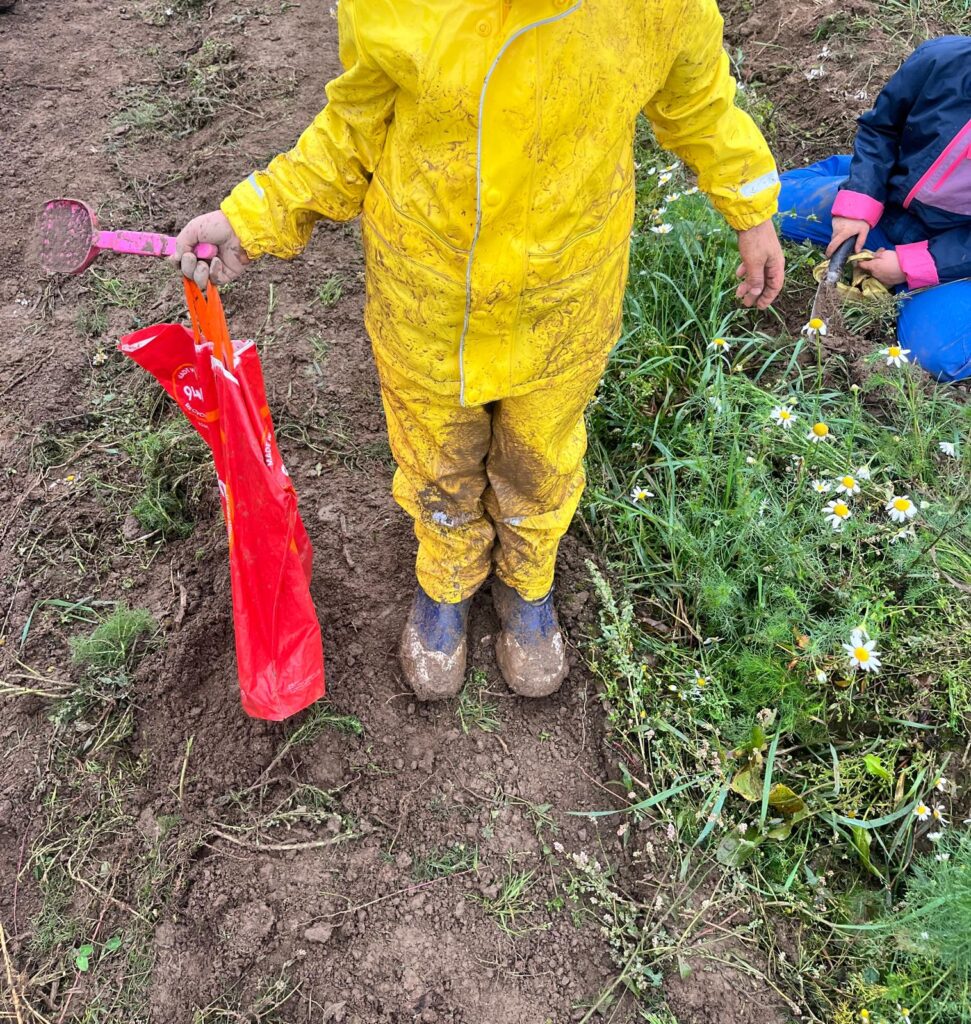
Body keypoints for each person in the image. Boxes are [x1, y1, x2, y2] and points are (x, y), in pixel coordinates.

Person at [175, 0, 785, 702]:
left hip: (566, 282)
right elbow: (354, 126)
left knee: (540, 450)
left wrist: (751, 208)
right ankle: (447, 572)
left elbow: (699, 101)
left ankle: (527, 579)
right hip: (427, 283)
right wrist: (253, 216)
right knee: (434, 446)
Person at [777, 36, 971, 381]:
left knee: (938, 356)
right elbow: (881, 129)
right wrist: (859, 200)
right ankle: (848, 177)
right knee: (767, 206)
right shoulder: (942, 59)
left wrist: (912, 265)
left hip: (956, 254)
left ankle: (927, 292)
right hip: (889, 207)